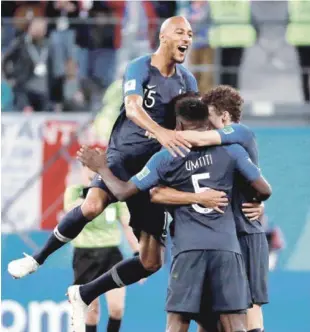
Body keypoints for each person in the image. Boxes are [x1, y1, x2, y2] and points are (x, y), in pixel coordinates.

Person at [8, 16, 225, 295]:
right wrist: (161, 132)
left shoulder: (187, 79)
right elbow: (133, 108)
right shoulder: (140, 67)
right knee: (91, 206)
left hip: (153, 170)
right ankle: (37, 259)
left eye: (191, 34)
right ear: (163, 37)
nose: (187, 38)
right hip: (121, 158)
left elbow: (187, 120)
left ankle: (84, 293)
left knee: (151, 261)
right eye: (180, 32)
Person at [73, 95, 272, 332]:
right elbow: (263, 188)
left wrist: (102, 168)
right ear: (205, 123)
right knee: (236, 320)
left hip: (190, 249)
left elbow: (126, 191)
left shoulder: (166, 157)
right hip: (228, 248)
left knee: (179, 322)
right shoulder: (231, 151)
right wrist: (256, 202)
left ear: (177, 125)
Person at [154, 86, 269, 332]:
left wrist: (159, 133)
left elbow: (199, 137)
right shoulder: (220, 152)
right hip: (223, 237)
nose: (206, 124)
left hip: (245, 232)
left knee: (249, 309)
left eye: (210, 118)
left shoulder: (240, 133)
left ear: (225, 118)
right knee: (209, 313)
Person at [64, 164, 140, 332]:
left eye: (98, 169)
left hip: (111, 254)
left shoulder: (114, 193)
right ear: (83, 170)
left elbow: (128, 225)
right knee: (91, 311)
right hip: (85, 254)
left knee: (117, 308)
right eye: (90, 169)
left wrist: (138, 254)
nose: (94, 173)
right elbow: (71, 210)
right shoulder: (74, 192)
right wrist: (91, 192)